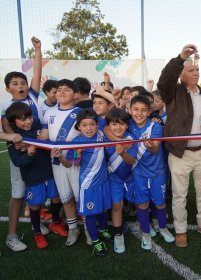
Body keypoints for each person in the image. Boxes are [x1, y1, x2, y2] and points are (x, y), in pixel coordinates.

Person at [157, 44, 201, 248]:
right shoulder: (172, 92)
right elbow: (164, 80)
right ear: (181, 74)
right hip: (179, 153)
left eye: (197, 70)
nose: (195, 73)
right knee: (179, 195)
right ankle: (181, 230)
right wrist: (179, 59)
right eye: (190, 70)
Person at [5, 102, 67, 249]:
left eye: (29, 117)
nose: (27, 122)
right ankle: (38, 233)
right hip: (33, 178)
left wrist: (45, 142)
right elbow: (17, 161)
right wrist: (29, 155)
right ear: (14, 122)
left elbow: (47, 145)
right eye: (22, 119)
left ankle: (56, 223)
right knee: (35, 205)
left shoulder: (38, 130)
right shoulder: (14, 140)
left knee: (56, 197)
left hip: (49, 173)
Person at [1, 36, 42, 252]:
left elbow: (37, 73)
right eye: (15, 84)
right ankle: (11, 235)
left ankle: (37, 223)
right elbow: (4, 131)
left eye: (23, 82)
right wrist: (12, 138)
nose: (21, 86)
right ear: (8, 88)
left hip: (39, 153)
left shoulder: (33, 98)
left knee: (38, 187)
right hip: (20, 156)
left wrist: (37, 50)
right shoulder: (5, 107)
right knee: (18, 193)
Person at [52, 109, 112, 256]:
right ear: (79, 127)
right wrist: (60, 157)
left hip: (103, 181)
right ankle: (96, 242)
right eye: (84, 125)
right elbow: (71, 164)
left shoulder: (101, 135)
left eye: (92, 124)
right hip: (88, 185)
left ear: (97, 125)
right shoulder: (77, 142)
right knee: (90, 214)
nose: (88, 128)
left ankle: (103, 230)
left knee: (104, 209)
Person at [128, 95, 175, 250]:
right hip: (138, 172)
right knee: (142, 204)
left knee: (160, 204)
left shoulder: (155, 127)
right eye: (135, 110)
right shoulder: (127, 125)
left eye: (143, 110)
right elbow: (109, 128)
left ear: (149, 112)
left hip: (157, 172)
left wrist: (150, 146)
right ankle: (146, 232)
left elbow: (155, 149)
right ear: (130, 110)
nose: (139, 113)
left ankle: (163, 228)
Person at [40, 79, 82, 246]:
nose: (62, 92)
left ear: (75, 95)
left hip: (78, 162)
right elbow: (44, 136)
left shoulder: (81, 112)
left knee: (82, 196)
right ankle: (73, 228)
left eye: (66, 89)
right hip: (56, 161)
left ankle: (88, 228)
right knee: (65, 196)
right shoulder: (48, 113)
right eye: (59, 90)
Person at [104, 108, 137, 254]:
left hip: (131, 177)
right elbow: (104, 128)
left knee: (141, 202)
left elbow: (132, 162)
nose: (118, 128)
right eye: (114, 124)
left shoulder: (131, 139)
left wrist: (122, 153)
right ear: (109, 126)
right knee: (116, 205)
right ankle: (118, 235)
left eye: (122, 124)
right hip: (114, 177)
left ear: (127, 125)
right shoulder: (104, 138)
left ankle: (143, 226)